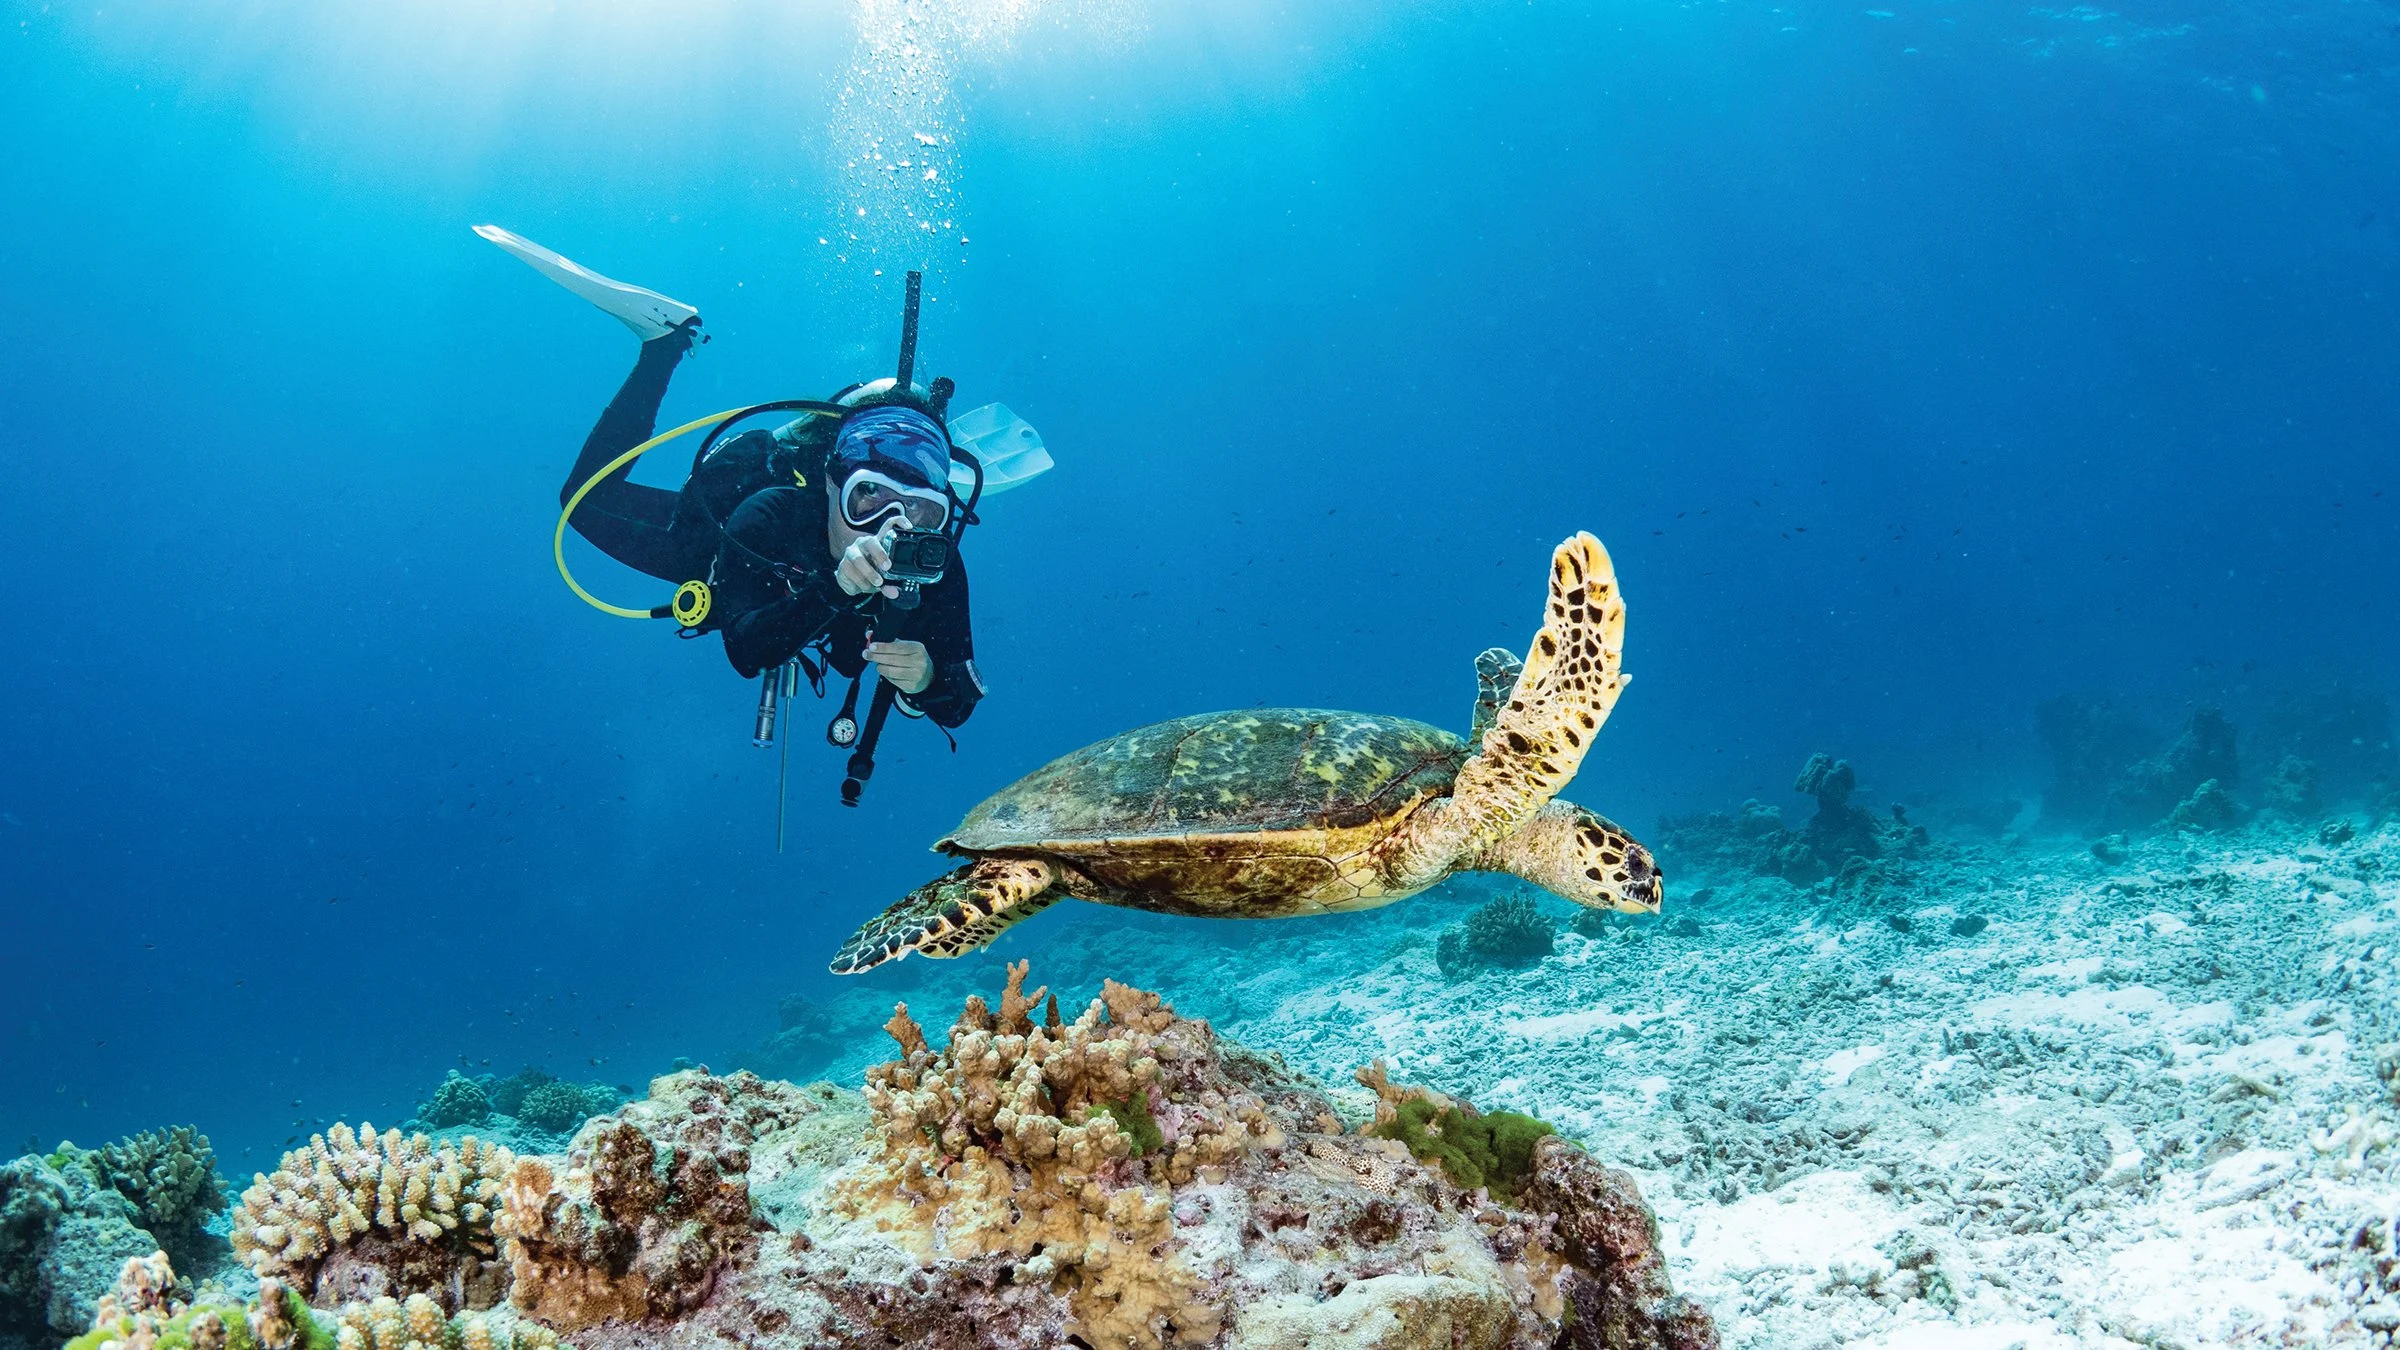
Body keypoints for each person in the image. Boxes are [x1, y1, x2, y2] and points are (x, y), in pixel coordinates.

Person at [557, 316, 986, 731]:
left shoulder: (932, 559)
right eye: (869, 495)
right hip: (720, 554)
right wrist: (836, 588)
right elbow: (747, 652)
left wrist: (926, 680)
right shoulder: (773, 515)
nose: (890, 528)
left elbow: (958, 705)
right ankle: (663, 347)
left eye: (918, 509)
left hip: (818, 610)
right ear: (831, 481)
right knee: (582, 504)